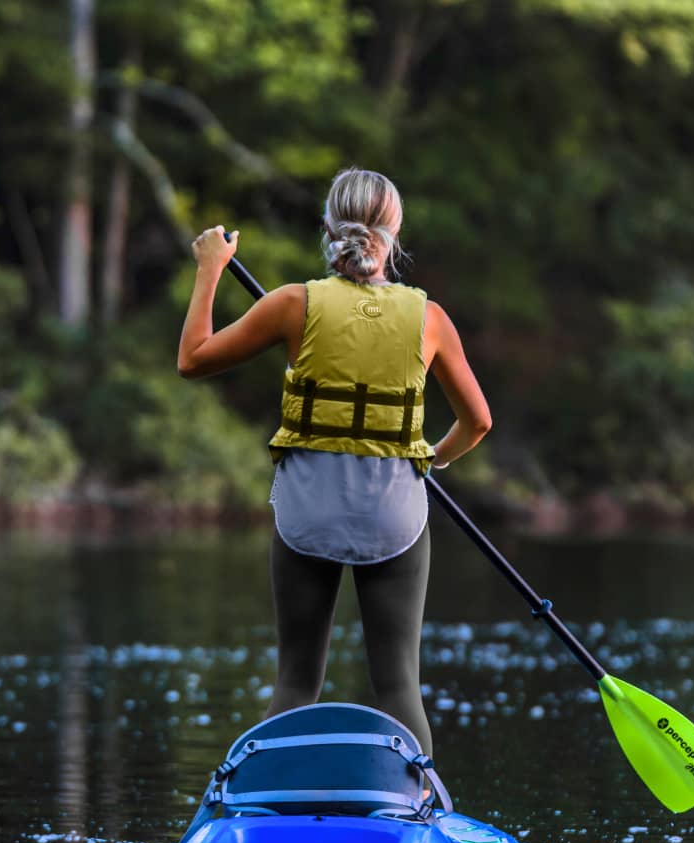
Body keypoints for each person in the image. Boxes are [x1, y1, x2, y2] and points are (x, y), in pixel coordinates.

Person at [177, 167, 491, 756]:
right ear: (394, 233)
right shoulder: (430, 320)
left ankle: (266, 801)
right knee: (398, 686)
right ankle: (417, 806)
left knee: (297, 682)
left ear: (328, 226)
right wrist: (432, 460)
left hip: (307, 515)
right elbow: (478, 423)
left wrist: (210, 270)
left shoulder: (292, 304)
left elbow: (192, 360)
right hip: (395, 516)